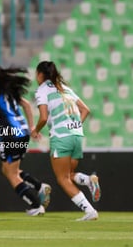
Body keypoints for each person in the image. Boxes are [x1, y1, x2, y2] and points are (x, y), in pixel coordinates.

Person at [0, 62, 51, 216]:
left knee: (11, 174)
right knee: (8, 169)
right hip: (21, 133)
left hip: (11, 135)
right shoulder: (5, 89)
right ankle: (39, 186)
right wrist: (31, 128)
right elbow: (27, 105)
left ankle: (35, 206)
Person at [31, 61, 101, 221]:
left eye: (36, 74)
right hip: (77, 136)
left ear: (41, 75)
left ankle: (90, 211)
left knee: (62, 179)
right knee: (68, 174)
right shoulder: (65, 88)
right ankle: (88, 180)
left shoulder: (42, 90)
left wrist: (35, 130)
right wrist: (73, 126)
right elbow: (86, 110)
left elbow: (43, 117)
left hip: (61, 138)